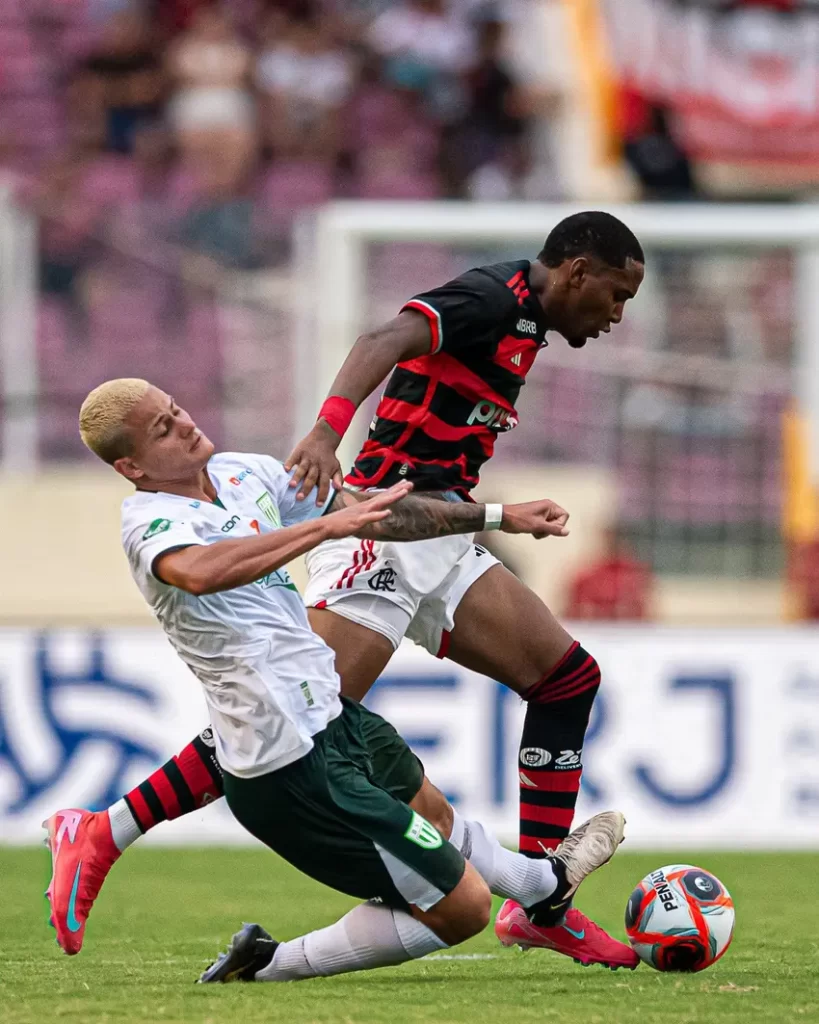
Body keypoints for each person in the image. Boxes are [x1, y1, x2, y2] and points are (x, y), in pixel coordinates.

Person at [46, 212, 645, 970]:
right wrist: (330, 430)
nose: (618, 314)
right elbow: (380, 341)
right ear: (579, 272)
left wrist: (499, 516)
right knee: (303, 711)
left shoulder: (238, 472)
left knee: (564, 679)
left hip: (430, 528)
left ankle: (541, 904)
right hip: (373, 531)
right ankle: (108, 830)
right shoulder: (491, 298)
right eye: (616, 294)